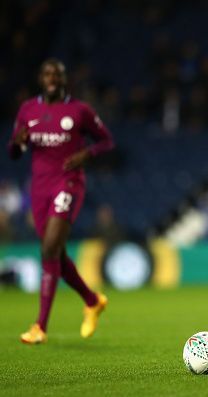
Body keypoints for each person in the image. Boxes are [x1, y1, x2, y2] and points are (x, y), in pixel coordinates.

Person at [8, 59, 114, 344]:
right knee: (53, 253)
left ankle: (40, 326)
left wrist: (86, 154)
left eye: (57, 74)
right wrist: (17, 141)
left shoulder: (80, 111)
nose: (52, 78)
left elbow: (106, 141)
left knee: (49, 248)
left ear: (64, 79)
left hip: (68, 183)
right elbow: (13, 152)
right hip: (39, 189)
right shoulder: (28, 109)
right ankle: (92, 301)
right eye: (47, 74)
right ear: (41, 79)